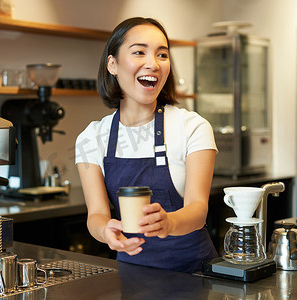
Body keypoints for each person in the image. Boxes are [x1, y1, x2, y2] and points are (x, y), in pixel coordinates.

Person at [75, 17, 218, 273]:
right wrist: (104, 231)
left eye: (162, 55)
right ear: (112, 64)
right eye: (139, 52)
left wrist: (168, 222)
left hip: (195, 276)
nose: (152, 64)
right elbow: (96, 214)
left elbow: (198, 210)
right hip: (132, 274)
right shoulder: (92, 138)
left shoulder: (192, 127)